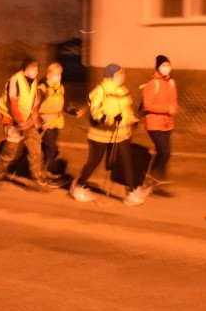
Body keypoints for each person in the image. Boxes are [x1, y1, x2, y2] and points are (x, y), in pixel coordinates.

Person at [70, 63, 145, 206]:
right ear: (112, 75)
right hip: (100, 133)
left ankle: (131, 193)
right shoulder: (101, 90)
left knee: (126, 160)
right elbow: (95, 111)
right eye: (120, 74)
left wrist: (133, 120)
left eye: (123, 73)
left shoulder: (123, 91)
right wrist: (110, 119)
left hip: (120, 132)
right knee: (94, 161)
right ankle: (78, 185)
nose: (123, 76)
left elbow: (127, 111)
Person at [0, 57, 56, 191]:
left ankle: (38, 179)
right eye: (34, 67)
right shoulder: (15, 81)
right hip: (11, 120)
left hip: (26, 120)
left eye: (37, 67)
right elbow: (12, 105)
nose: (36, 70)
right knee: (9, 153)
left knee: (35, 148)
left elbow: (34, 105)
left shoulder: (34, 82)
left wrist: (39, 122)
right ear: (25, 69)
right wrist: (21, 123)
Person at [36, 62, 83, 178]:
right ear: (48, 75)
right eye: (55, 74)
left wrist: (75, 111)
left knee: (49, 147)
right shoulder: (43, 88)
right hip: (45, 122)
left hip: (56, 122)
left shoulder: (61, 88)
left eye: (60, 74)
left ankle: (41, 167)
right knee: (51, 146)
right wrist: (41, 122)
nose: (58, 77)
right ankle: (49, 171)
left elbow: (65, 105)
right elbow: (34, 107)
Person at [141, 55, 178, 197]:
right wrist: (167, 109)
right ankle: (152, 181)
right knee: (165, 152)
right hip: (154, 124)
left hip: (167, 124)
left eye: (168, 64)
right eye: (164, 65)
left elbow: (174, 100)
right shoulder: (153, 83)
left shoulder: (171, 83)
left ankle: (156, 184)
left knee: (163, 154)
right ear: (158, 67)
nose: (166, 67)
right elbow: (148, 104)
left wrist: (174, 108)